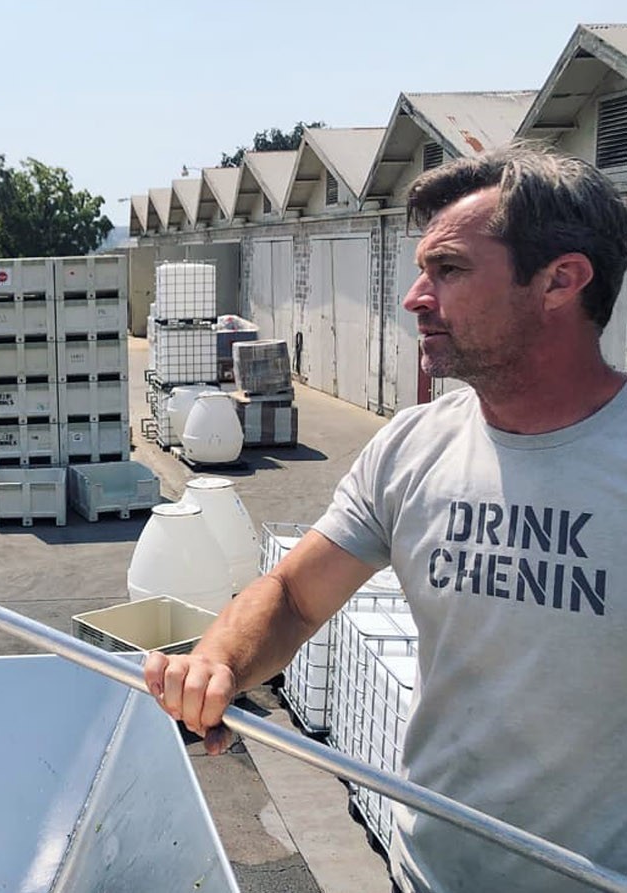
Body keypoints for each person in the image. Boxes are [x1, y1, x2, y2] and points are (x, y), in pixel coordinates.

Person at [144, 143, 627, 893]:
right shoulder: (413, 446)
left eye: (450, 269)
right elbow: (296, 596)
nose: (414, 297)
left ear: (561, 280)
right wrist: (222, 663)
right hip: (428, 874)